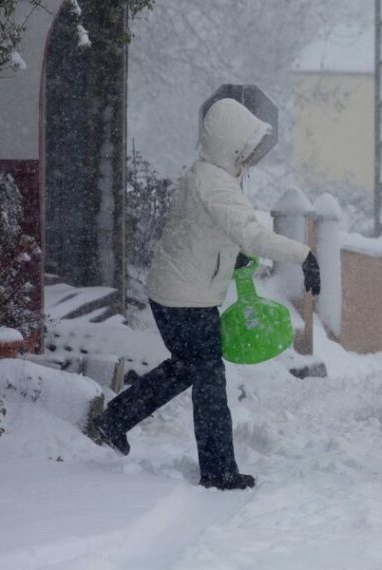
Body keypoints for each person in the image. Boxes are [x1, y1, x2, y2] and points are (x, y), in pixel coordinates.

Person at [91, 98, 320, 491]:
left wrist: (233, 255)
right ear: (230, 144)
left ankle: (115, 420)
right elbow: (252, 233)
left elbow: (201, 230)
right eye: (245, 146)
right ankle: (218, 470)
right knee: (209, 376)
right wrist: (304, 255)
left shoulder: (204, 174)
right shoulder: (215, 183)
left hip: (173, 292)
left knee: (187, 367)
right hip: (187, 299)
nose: (250, 154)